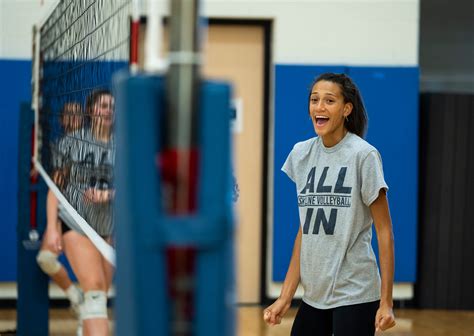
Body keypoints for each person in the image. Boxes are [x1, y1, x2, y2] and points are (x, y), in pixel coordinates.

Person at [263, 73, 396, 335]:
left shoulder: (363, 155)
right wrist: (285, 296)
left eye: (329, 100)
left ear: (346, 109)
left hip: (355, 291)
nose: (319, 107)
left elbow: (384, 232)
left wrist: (386, 302)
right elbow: (306, 229)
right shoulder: (301, 154)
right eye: (314, 100)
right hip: (314, 295)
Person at [59, 89, 116, 336]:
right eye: (103, 105)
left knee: (101, 294)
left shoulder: (122, 144)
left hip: (107, 226)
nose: (108, 110)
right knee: (93, 291)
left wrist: (110, 194)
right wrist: (52, 226)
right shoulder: (71, 141)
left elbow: (135, 184)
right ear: (91, 110)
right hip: (75, 221)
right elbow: (55, 187)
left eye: (112, 106)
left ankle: (85, 325)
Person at [36, 102, 84, 320]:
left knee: (89, 273)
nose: (74, 118)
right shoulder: (60, 145)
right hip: (66, 212)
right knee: (46, 258)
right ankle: (76, 297)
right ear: (62, 120)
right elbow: (56, 183)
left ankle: (88, 318)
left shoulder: (93, 141)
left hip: (91, 215)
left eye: (77, 115)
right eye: (69, 115)